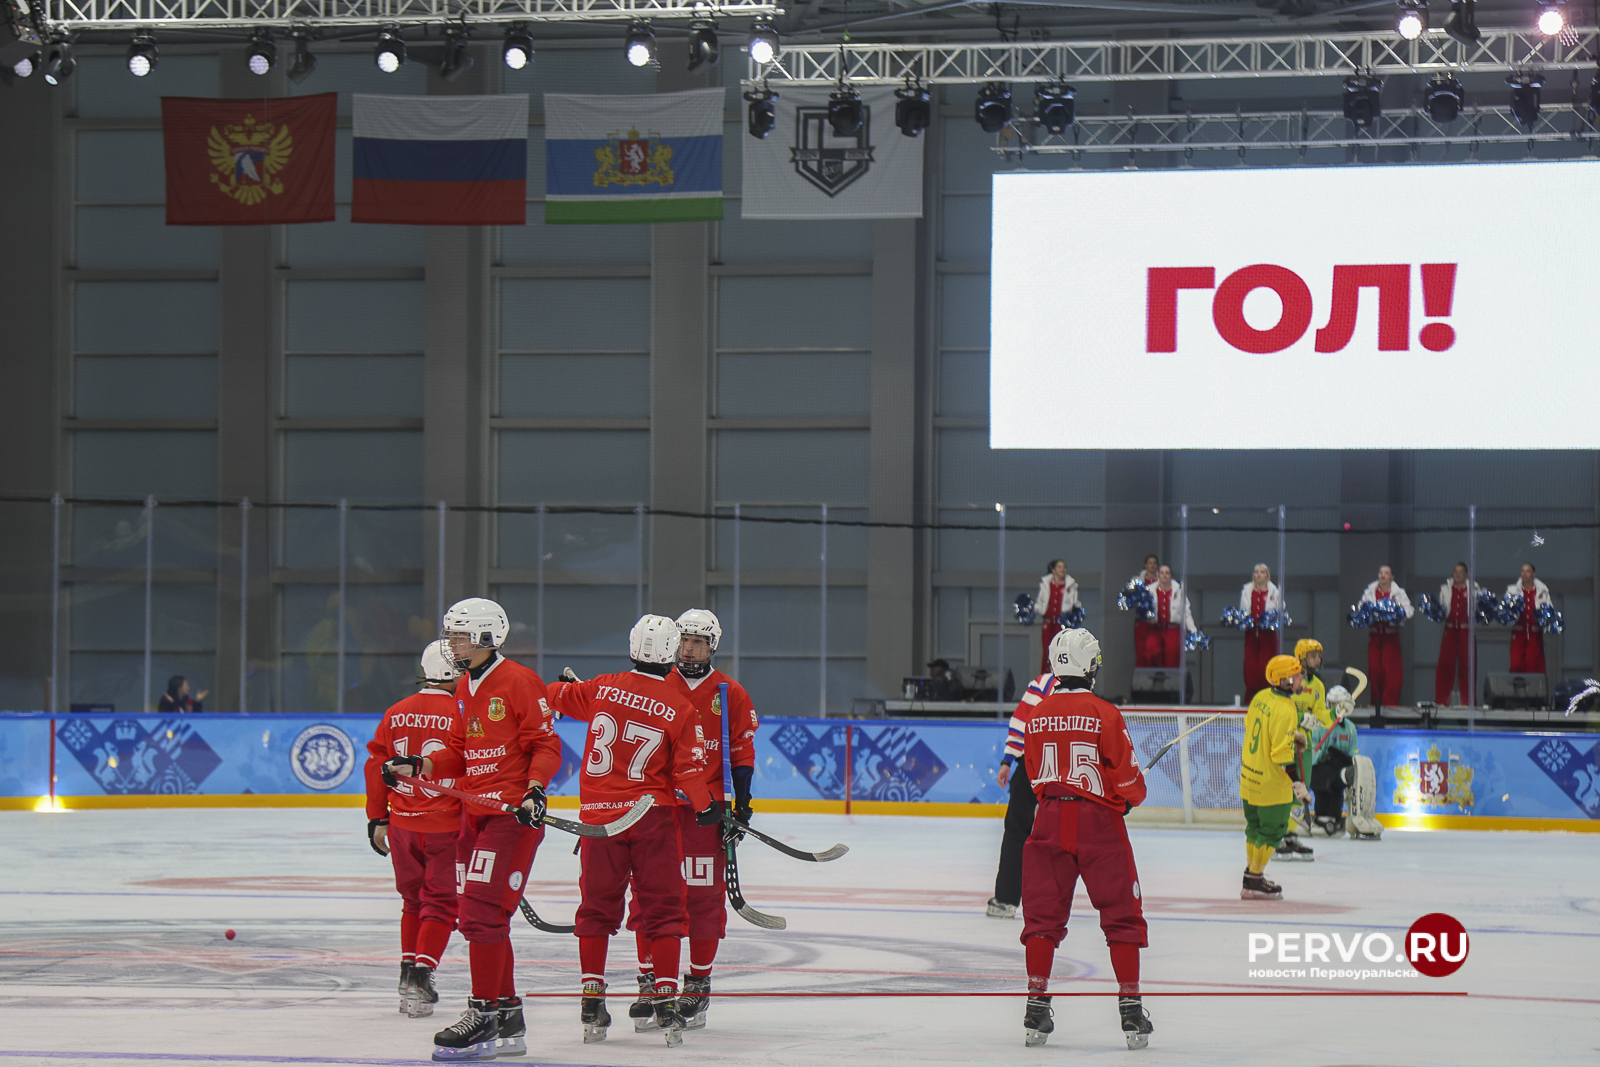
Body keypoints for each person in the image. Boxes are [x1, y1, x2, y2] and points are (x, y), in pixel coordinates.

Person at [384, 597, 561, 1062]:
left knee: (479, 916)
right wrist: (420, 762)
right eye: (453, 635)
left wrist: (535, 790)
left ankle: (482, 1012)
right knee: (485, 918)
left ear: (487, 636)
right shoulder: (465, 686)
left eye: (460, 635)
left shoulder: (519, 681)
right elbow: (460, 749)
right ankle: (507, 1014)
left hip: (509, 819)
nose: (453, 644)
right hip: (475, 817)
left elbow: (545, 745)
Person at [545, 615, 716, 1049]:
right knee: (662, 909)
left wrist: (565, 688)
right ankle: (664, 997)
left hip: (599, 819)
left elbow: (555, 697)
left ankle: (591, 998)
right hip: (649, 816)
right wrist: (708, 809)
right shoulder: (679, 705)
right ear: (672, 652)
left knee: (597, 908)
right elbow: (689, 772)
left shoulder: (602, 686)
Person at [623, 609, 758, 1033]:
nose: (689, 649)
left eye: (698, 642)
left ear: (712, 646)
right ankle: (650, 982)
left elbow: (741, 751)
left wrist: (741, 801)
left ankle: (696, 984)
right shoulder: (657, 684)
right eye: (684, 641)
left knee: (701, 898)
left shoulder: (729, 692)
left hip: (706, 814)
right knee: (649, 898)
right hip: (659, 810)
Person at [1016, 628, 1152, 1051]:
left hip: (1050, 819)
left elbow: (1035, 776)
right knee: (1122, 916)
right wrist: (1122, 800)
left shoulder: (1036, 715)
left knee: (1041, 917)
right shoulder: (1105, 713)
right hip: (1099, 825)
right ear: (1089, 666)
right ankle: (1130, 1008)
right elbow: (1129, 781)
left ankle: (1036, 1003)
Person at [363, 640, 463, 1018]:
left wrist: (378, 818)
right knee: (441, 903)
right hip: (447, 826)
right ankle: (422, 977)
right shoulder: (463, 712)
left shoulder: (396, 712)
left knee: (413, 901)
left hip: (403, 825)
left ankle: (408, 977)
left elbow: (377, 767)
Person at [985, 671, 1057, 919]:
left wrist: (1008, 760)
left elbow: (1022, 722)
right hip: (1066, 770)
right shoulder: (1086, 692)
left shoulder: (1043, 683)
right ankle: (1054, 903)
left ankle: (1005, 900)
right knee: (1067, 835)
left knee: (1017, 831)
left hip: (1033, 765)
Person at [1239, 654, 1311, 900]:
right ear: (1285, 680)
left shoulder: (1260, 697)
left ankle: (1251, 875)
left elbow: (1256, 728)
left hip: (1250, 778)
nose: (1301, 678)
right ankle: (1255, 880)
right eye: (1297, 674)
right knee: (1271, 831)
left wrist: (1294, 736)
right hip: (1271, 785)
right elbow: (1282, 756)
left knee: (1255, 827)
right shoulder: (1286, 707)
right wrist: (1298, 783)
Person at [1277, 637, 1330, 862]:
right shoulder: (1288, 679)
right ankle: (1276, 834)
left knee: (1300, 792)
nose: (1317, 659)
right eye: (1312, 655)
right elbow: (1279, 706)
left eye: (1319, 655)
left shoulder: (1318, 686)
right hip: (1286, 743)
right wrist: (1300, 718)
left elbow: (1322, 717)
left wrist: (1338, 712)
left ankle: (1291, 834)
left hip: (1305, 747)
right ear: (1301, 658)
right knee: (1283, 789)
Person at [1360, 566, 1413, 709]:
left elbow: (1409, 610)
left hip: (1391, 636)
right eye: (1380, 573)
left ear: (1392, 577)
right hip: (1375, 636)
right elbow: (1361, 609)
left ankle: (1390, 705)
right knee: (1375, 671)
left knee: (1392, 673)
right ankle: (1376, 704)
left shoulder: (1398, 593)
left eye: (1386, 573)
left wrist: (1396, 614)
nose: (1383, 575)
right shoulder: (1369, 592)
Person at [1435, 562, 1479, 705]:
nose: (1458, 574)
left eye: (1461, 572)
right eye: (1455, 571)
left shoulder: (1475, 589)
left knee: (1467, 666)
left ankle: (1468, 703)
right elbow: (1441, 609)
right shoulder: (1445, 589)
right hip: (1450, 630)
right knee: (1445, 665)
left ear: (1466, 575)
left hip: (1466, 630)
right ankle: (1441, 702)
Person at [1239, 564, 1285, 696]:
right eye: (1256, 572)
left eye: (1262, 572)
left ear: (1268, 576)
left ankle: (1269, 695)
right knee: (1251, 667)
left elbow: (1281, 610)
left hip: (1268, 635)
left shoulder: (1275, 593)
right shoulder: (1246, 592)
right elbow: (1243, 610)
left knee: (1266, 664)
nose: (1258, 574)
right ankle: (1251, 698)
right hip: (1251, 634)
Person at [1143, 565, 1197, 670]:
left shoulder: (1179, 592)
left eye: (1167, 573)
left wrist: (1193, 630)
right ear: (1158, 575)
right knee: (1151, 650)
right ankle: (1154, 677)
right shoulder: (1149, 591)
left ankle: (1172, 683)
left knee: (1173, 656)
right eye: (1162, 573)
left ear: (1170, 576)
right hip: (1156, 629)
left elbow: (1186, 612)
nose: (1164, 575)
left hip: (1173, 629)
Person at [1035, 560, 1081, 674]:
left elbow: (1075, 603)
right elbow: (1040, 602)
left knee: (1062, 651)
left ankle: (1061, 676)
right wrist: (1037, 609)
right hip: (1048, 623)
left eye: (1064, 567)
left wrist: (1075, 610)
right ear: (1053, 570)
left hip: (1062, 625)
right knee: (1047, 652)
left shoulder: (1071, 586)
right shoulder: (1046, 585)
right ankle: (1045, 676)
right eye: (1059, 567)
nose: (1062, 569)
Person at [1506, 563, 1552, 675]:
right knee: (1516, 664)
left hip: (1535, 635)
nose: (1525, 574)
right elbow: (1506, 611)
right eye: (1523, 571)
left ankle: (1533, 692)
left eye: (1528, 571)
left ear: (1533, 574)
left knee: (1533, 665)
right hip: (1518, 634)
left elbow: (1550, 611)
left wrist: (1547, 622)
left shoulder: (1542, 591)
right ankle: (1516, 692)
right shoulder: (1512, 591)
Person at [1130, 554, 1161, 669]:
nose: (1152, 565)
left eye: (1154, 563)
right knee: (1141, 651)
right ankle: (1141, 680)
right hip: (1142, 621)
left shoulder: (1162, 580)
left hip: (1158, 621)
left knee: (1157, 651)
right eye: (1150, 563)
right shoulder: (1138, 582)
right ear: (1145, 565)